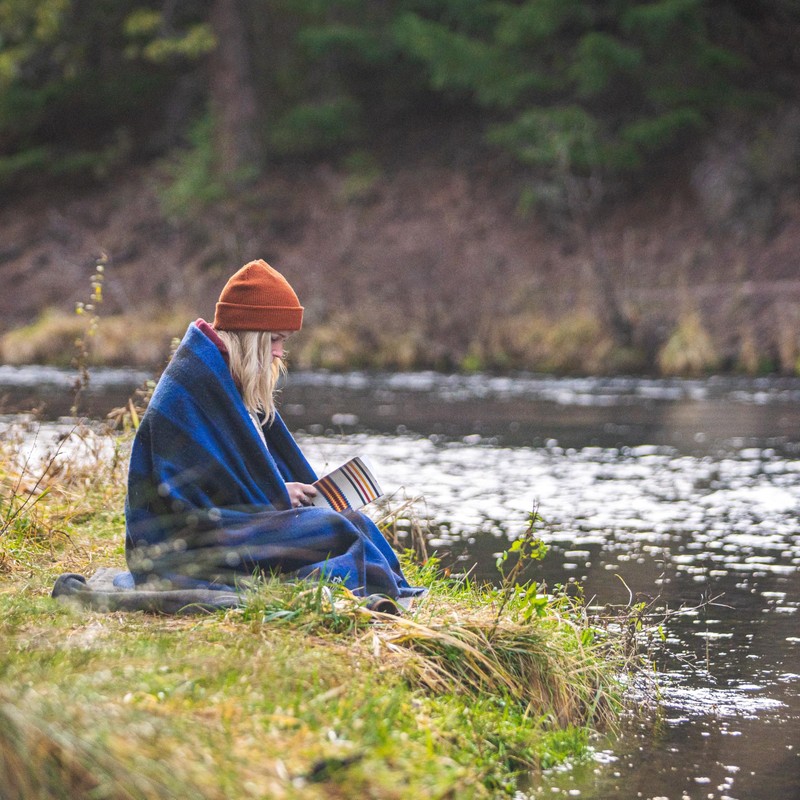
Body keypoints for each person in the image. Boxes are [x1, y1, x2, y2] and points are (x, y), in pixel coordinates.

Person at [124, 259, 422, 601]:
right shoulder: (194, 385)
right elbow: (190, 502)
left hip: (229, 528)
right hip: (186, 548)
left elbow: (229, 479)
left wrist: (279, 491)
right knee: (332, 528)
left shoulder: (223, 376)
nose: (280, 352)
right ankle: (350, 589)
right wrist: (276, 497)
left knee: (354, 521)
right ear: (251, 336)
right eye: (275, 340)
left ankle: (393, 590)